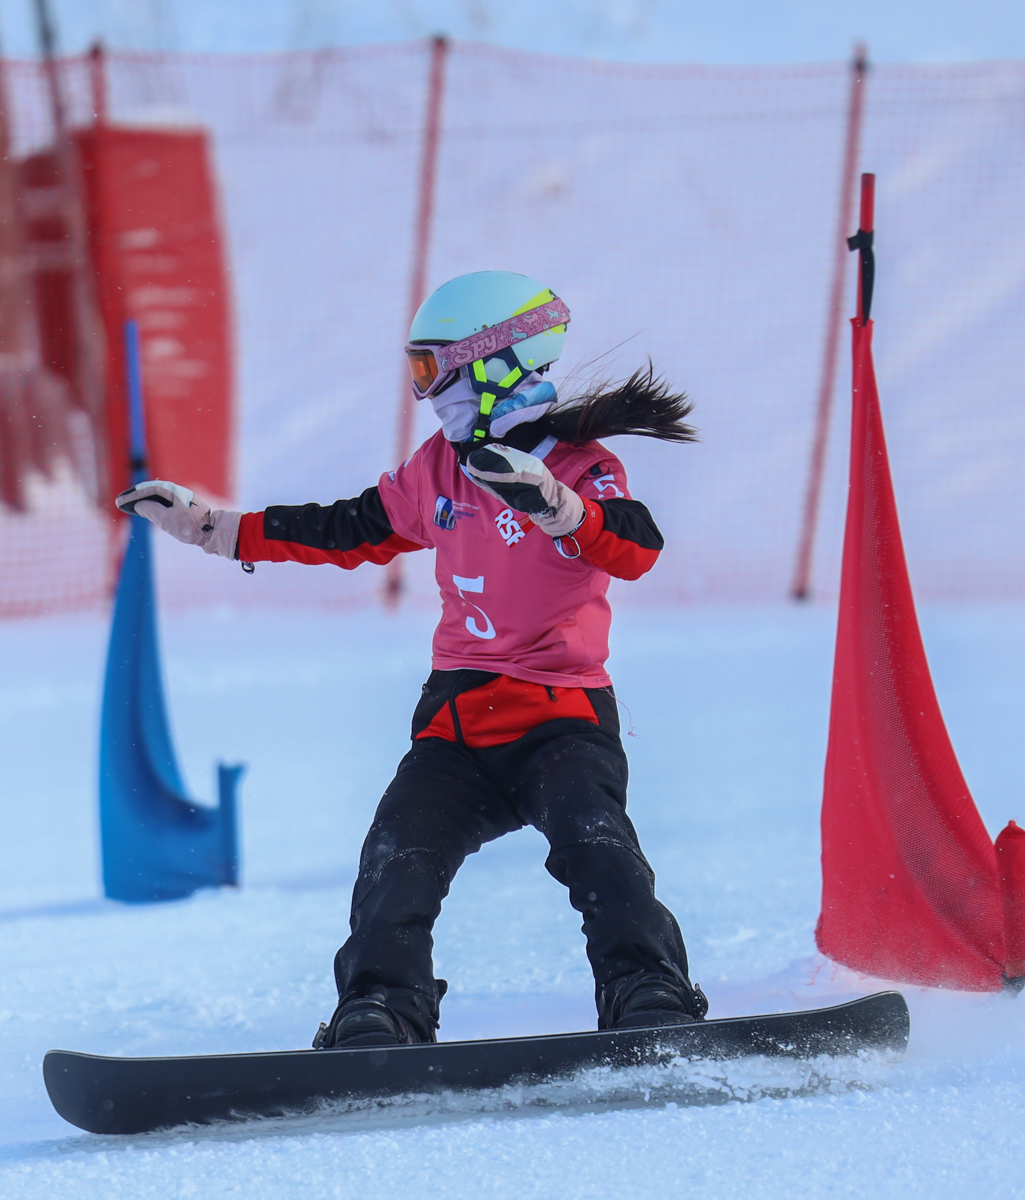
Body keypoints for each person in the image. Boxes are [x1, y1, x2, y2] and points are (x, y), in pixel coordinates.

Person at [117, 271, 706, 1049]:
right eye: (417, 371)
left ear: (502, 361)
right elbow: (351, 526)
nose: (428, 393)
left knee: (598, 847)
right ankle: (383, 1009)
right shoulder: (438, 467)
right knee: (396, 858)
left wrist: (563, 511)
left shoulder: (577, 468)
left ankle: (648, 988)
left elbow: (635, 545)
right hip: (459, 727)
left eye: (436, 369)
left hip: (562, 722)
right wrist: (215, 529)